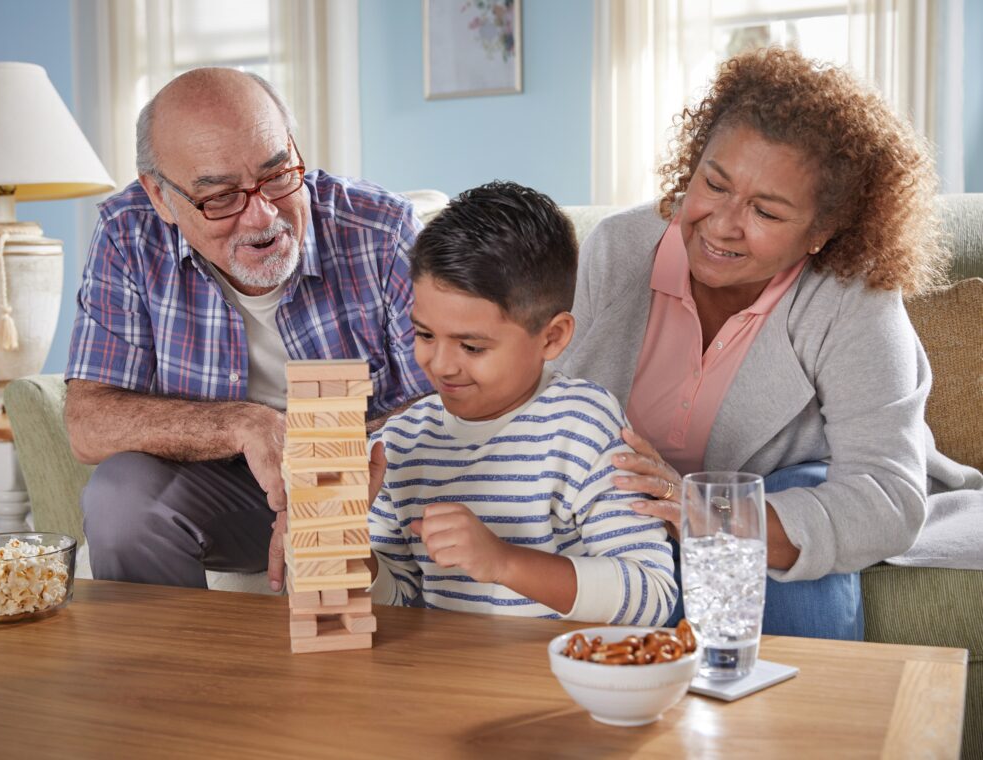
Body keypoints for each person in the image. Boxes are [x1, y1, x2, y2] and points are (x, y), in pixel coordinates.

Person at [557, 47, 983, 640]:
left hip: (779, 513)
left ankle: (796, 725)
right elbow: (551, 405)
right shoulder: (619, 249)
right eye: (714, 183)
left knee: (784, 490)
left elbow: (885, 494)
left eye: (766, 211)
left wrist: (710, 515)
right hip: (632, 514)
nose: (723, 223)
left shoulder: (851, 298)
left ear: (822, 231)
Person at [64, 68, 432, 592]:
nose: (261, 217)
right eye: (219, 197)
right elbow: (88, 424)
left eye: (278, 175)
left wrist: (321, 483)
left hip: (367, 484)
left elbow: (442, 406)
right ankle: (170, 675)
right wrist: (242, 424)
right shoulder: (127, 233)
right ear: (162, 197)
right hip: (216, 485)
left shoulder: (382, 229)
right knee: (121, 497)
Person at [367, 181, 677, 623]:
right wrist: (343, 546)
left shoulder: (583, 426)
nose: (440, 365)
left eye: (471, 347)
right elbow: (397, 601)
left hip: (557, 681)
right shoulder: (400, 443)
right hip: (439, 678)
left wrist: (504, 563)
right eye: (424, 335)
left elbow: (652, 595)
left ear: (552, 337)